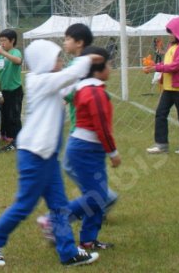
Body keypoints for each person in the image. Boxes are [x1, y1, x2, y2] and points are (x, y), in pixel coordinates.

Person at [0, 40, 101, 267]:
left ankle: (67, 252)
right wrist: (88, 58)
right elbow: (69, 75)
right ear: (44, 61)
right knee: (25, 204)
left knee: (59, 207)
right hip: (34, 155)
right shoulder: (39, 81)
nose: (61, 61)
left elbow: (71, 83)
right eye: (57, 58)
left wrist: (85, 74)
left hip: (48, 155)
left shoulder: (49, 82)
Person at [66, 46, 120, 252]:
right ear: (98, 68)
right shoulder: (93, 92)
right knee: (96, 196)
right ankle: (57, 220)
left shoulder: (87, 89)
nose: (111, 67)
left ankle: (88, 240)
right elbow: (101, 127)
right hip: (85, 149)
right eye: (109, 63)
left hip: (89, 149)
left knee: (97, 195)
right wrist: (113, 153)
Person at [143, 16, 179, 155]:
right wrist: (154, 65)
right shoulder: (171, 46)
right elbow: (166, 64)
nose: (170, 36)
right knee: (160, 114)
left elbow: (175, 66)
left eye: (171, 32)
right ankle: (161, 144)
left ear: (178, 32)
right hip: (168, 87)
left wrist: (156, 69)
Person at [0, 29, 23, 151]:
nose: (2, 43)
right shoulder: (0, 54)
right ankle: (8, 137)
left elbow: (18, 61)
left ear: (12, 41)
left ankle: (18, 141)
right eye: (0, 40)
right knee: (5, 115)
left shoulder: (15, 52)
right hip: (4, 91)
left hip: (15, 90)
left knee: (14, 116)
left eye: (4, 40)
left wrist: (3, 53)